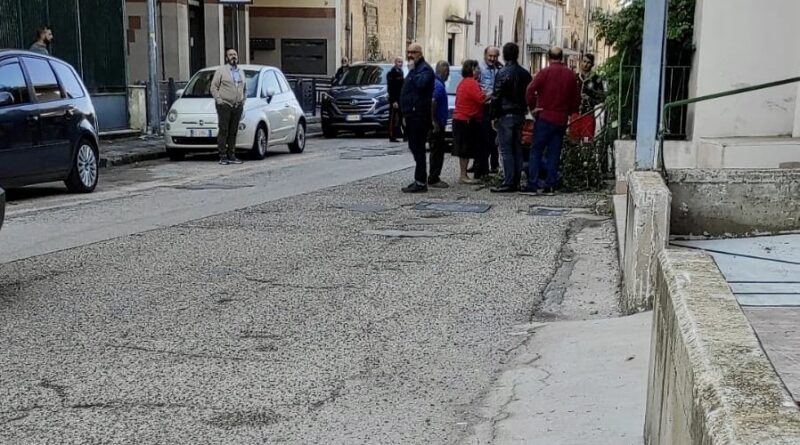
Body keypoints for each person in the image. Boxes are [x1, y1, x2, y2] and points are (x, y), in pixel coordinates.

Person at [525, 47, 581, 195]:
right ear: (562, 57)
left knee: (536, 150)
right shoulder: (570, 74)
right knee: (554, 152)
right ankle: (550, 184)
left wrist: (532, 108)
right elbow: (576, 98)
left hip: (544, 116)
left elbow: (530, 90)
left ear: (549, 57)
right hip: (561, 118)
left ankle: (533, 183)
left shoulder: (544, 73)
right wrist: (570, 112)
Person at [490, 42, 532, 193]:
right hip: (519, 114)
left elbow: (496, 96)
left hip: (505, 115)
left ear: (505, 55)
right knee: (517, 149)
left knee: (506, 150)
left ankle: (509, 182)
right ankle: (516, 180)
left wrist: (493, 115)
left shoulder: (502, 73)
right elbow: (530, 94)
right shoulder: (525, 74)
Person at [399, 43, 435, 193]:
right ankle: (419, 179)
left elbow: (420, 85)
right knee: (415, 148)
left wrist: (412, 72)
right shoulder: (415, 70)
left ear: (420, 53)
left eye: (413, 52)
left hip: (419, 116)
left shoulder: (424, 69)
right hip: (411, 115)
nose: (410, 55)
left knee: (418, 148)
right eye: (408, 52)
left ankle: (420, 182)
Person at [211, 48, 246, 165]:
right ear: (227, 58)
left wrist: (243, 100)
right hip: (225, 104)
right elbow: (213, 87)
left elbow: (244, 88)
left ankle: (232, 155)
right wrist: (219, 100)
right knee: (224, 130)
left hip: (237, 105)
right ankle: (222, 156)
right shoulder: (221, 71)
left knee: (233, 131)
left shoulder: (241, 72)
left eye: (235, 54)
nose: (233, 57)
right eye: (231, 55)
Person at [452, 60, 484, 184]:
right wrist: (492, 94)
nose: (478, 71)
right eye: (476, 69)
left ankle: (463, 174)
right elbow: (480, 99)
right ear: (471, 69)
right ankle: (463, 175)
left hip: (461, 119)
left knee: (464, 148)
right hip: (465, 120)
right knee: (465, 149)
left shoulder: (463, 83)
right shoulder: (471, 83)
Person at [474, 46, 502, 177]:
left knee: (495, 137)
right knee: (483, 137)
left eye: (495, 56)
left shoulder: (500, 69)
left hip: (495, 106)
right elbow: (475, 85)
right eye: (490, 56)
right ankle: (481, 167)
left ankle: (494, 165)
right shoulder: (479, 69)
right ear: (485, 55)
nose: (492, 59)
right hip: (484, 105)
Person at [428, 61, 451, 188]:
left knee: (436, 150)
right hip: (437, 124)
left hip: (437, 123)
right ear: (445, 72)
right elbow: (432, 102)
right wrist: (434, 121)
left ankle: (434, 176)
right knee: (437, 151)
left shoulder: (436, 83)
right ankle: (434, 177)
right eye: (447, 72)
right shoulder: (439, 86)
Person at [387, 57, 405, 142]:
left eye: (401, 62)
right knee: (393, 118)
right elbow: (391, 89)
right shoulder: (391, 73)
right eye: (399, 62)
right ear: (395, 62)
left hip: (401, 98)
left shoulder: (401, 72)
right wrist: (394, 101)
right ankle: (392, 136)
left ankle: (405, 135)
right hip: (394, 99)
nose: (400, 63)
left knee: (403, 117)